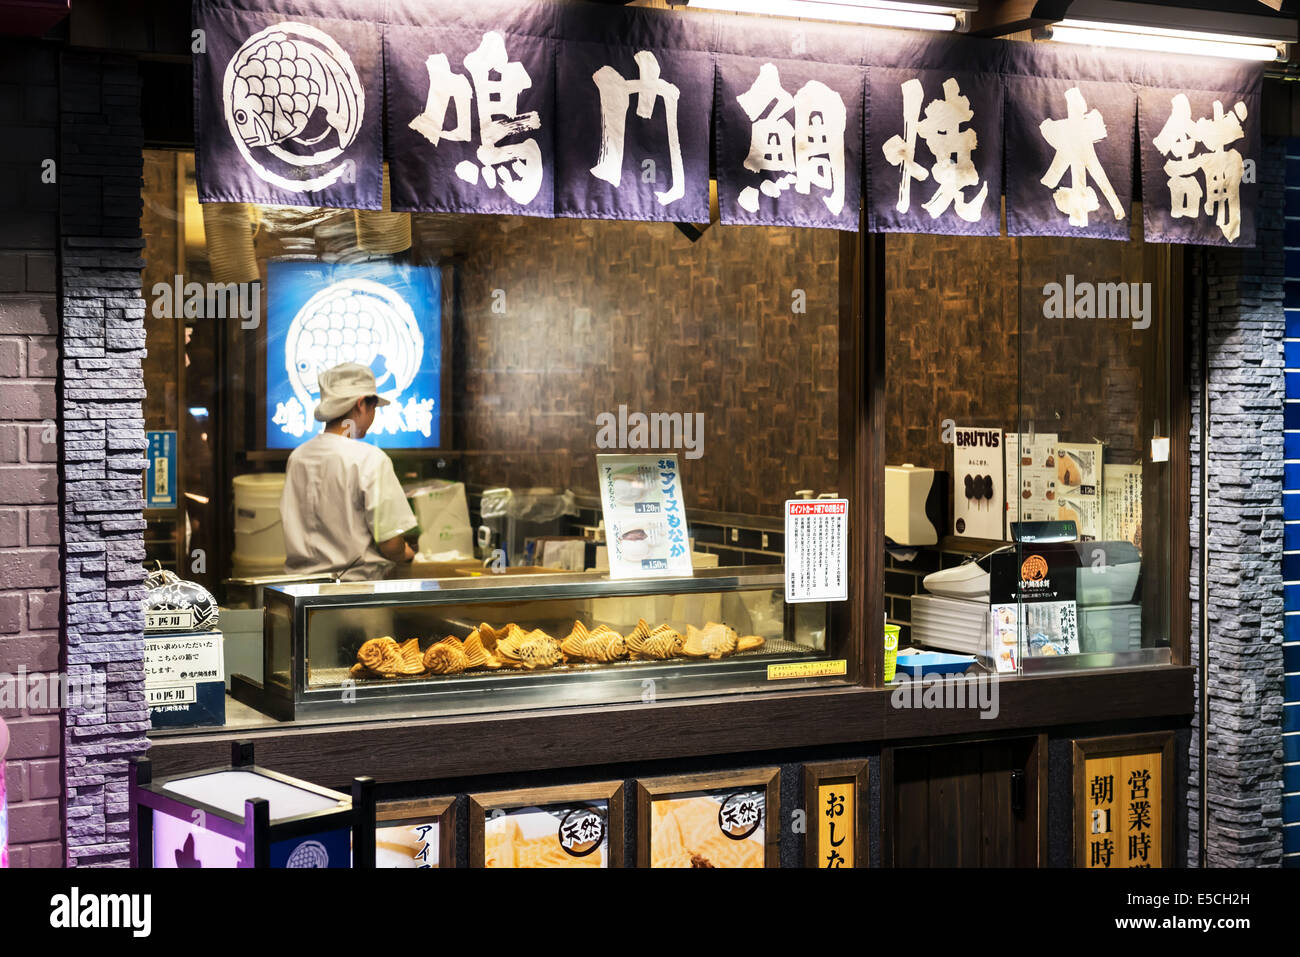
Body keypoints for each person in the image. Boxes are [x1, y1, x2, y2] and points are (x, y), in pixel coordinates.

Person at [281, 362, 417, 581]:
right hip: (354, 599)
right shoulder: (370, 459)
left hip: (300, 594)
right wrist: (405, 553)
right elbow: (391, 544)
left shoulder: (298, 457)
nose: (373, 416)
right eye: (373, 408)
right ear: (362, 404)